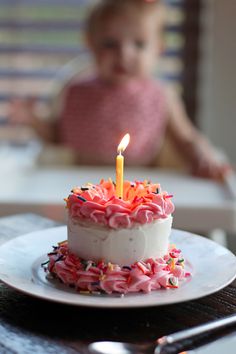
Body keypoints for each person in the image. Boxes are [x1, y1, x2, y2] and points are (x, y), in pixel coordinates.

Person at [8, 0, 230, 179]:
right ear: (90, 43)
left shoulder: (161, 94)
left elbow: (186, 138)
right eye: (110, 44)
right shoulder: (75, 90)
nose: (124, 54)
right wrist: (34, 120)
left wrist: (204, 157)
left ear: (159, 49)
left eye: (139, 44)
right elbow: (56, 136)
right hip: (77, 182)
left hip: (138, 184)